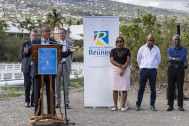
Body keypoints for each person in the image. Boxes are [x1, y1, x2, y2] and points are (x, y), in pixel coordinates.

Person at [24, 25, 78, 116]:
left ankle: (51, 113)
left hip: (50, 71)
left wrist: (70, 51)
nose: (48, 32)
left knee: (51, 93)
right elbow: (29, 53)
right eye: (46, 31)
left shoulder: (53, 41)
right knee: (37, 94)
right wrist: (26, 52)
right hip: (38, 72)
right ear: (41, 32)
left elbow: (61, 55)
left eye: (49, 31)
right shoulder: (35, 41)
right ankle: (38, 114)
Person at [136, 34, 161, 111]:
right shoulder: (142, 48)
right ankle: (138, 104)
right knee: (141, 88)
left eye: (152, 40)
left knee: (153, 88)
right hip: (144, 70)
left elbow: (158, 60)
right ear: (147, 40)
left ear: (154, 41)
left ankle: (152, 104)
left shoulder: (157, 49)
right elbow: (138, 59)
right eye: (149, 40)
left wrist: (154, 67)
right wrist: (142, 67)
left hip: (153, 70)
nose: (150, 42)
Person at [110, 36, 131, 112]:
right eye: (118, 41)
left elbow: (128, 60)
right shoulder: (113, 50)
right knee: (115, 89)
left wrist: (123, 68)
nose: (119, 42)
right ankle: (115, 106)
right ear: (116, 42)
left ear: (123, 42)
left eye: (121, 41)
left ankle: (122, 106)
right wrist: (120, 66)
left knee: (124, 88)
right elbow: (112, 60)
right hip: (115, 70)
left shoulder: (127, 50)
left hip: (125, 69)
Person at [167, 35, 187, 111]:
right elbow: (169, 59)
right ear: (173, 41)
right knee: (171, 88)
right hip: (171, 69)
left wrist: (173, 58)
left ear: (180, 41)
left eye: (178, 39)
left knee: (180, 88)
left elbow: (182, 59)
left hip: (180, 70)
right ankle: (170, 105)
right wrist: (175, 59)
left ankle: (180, 105)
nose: (176, 41)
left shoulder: (184, 49)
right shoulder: (170, 49)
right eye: (175, 39)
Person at [55, 28, 74, 109]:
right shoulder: (55, 43)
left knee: (66, 85)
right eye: (60, 33)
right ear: (58, 34)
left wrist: (68, 62)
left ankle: (67, 102)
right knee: (57, 85)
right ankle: (58, 102)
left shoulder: (71, 43)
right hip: (58, 65)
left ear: (66, 34)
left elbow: (71, 56)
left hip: (66, 65)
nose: (61, 34)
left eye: (63, 33)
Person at [20, 29, 38, 107]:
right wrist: (26, 53)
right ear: (30, 35)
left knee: (35, 85)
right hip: (26, 66)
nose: (34, 36)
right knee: (27, 85)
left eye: (35, 35)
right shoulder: (25, 43)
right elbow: (22, 55)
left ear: (38, 36)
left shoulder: (39, 44)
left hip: (36, 67)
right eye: (33, 35)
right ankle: (27, 101)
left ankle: (33, 101)